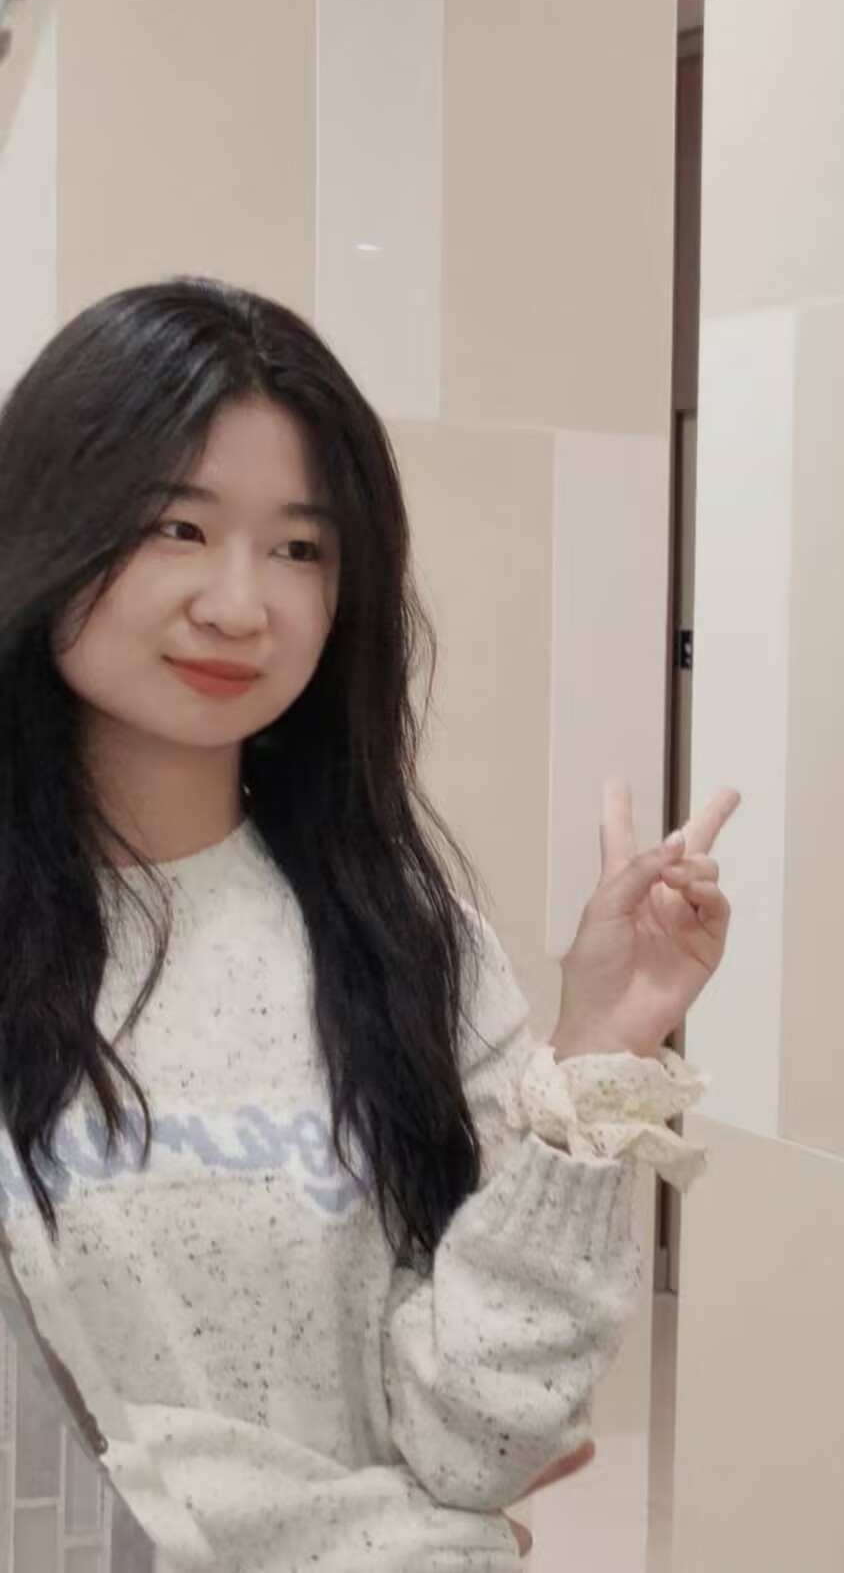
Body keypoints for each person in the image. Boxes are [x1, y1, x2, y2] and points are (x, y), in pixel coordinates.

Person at [0, 278, 739, 1571]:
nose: (241, 605)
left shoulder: (400, 940)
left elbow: (477, 1444)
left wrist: (592, 1063)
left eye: (301, 548)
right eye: (178, 526)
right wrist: (365, 1526)